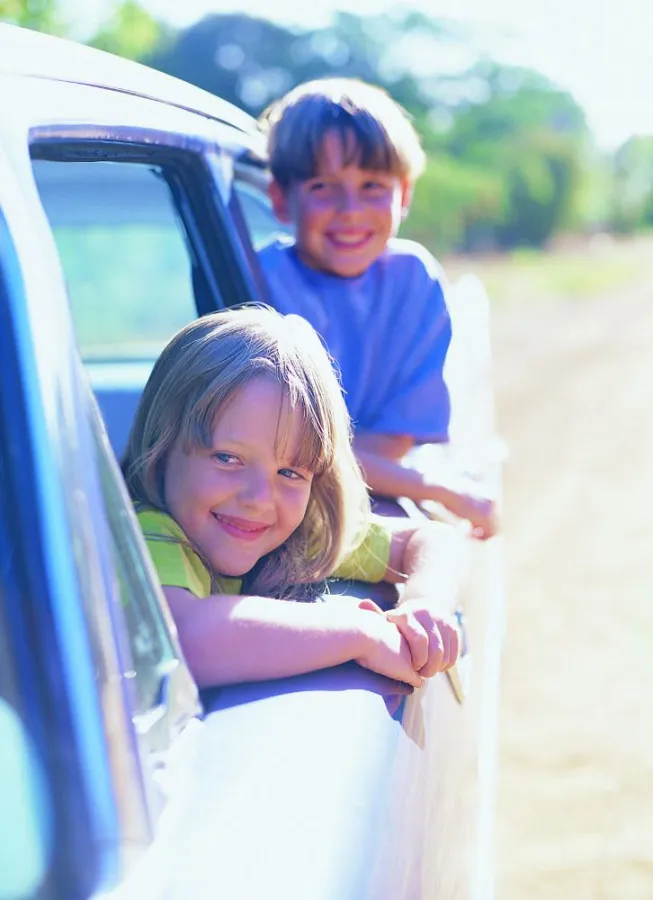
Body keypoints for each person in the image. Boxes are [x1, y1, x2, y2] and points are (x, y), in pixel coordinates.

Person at [122, 306, 465, 689]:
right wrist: (360, 632)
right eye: (228, 458)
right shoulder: (149, 535)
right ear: (162, 447)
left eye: (290, 472)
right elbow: (186, 641)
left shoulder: (297, 534)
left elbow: (431, 539)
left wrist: (425, 603)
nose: (259, 498)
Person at [257, 77, 497, 539]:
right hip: (272, 507)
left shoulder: (413, 281)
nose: (350, 209)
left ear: (403, 195)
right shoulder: (258, 277)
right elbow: (286, 454)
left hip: (366, 499)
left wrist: (422, 487)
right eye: (323, 186)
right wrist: (441, 489)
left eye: (372, 186)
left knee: (435, 555)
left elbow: (393, 440)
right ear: (281, 199)